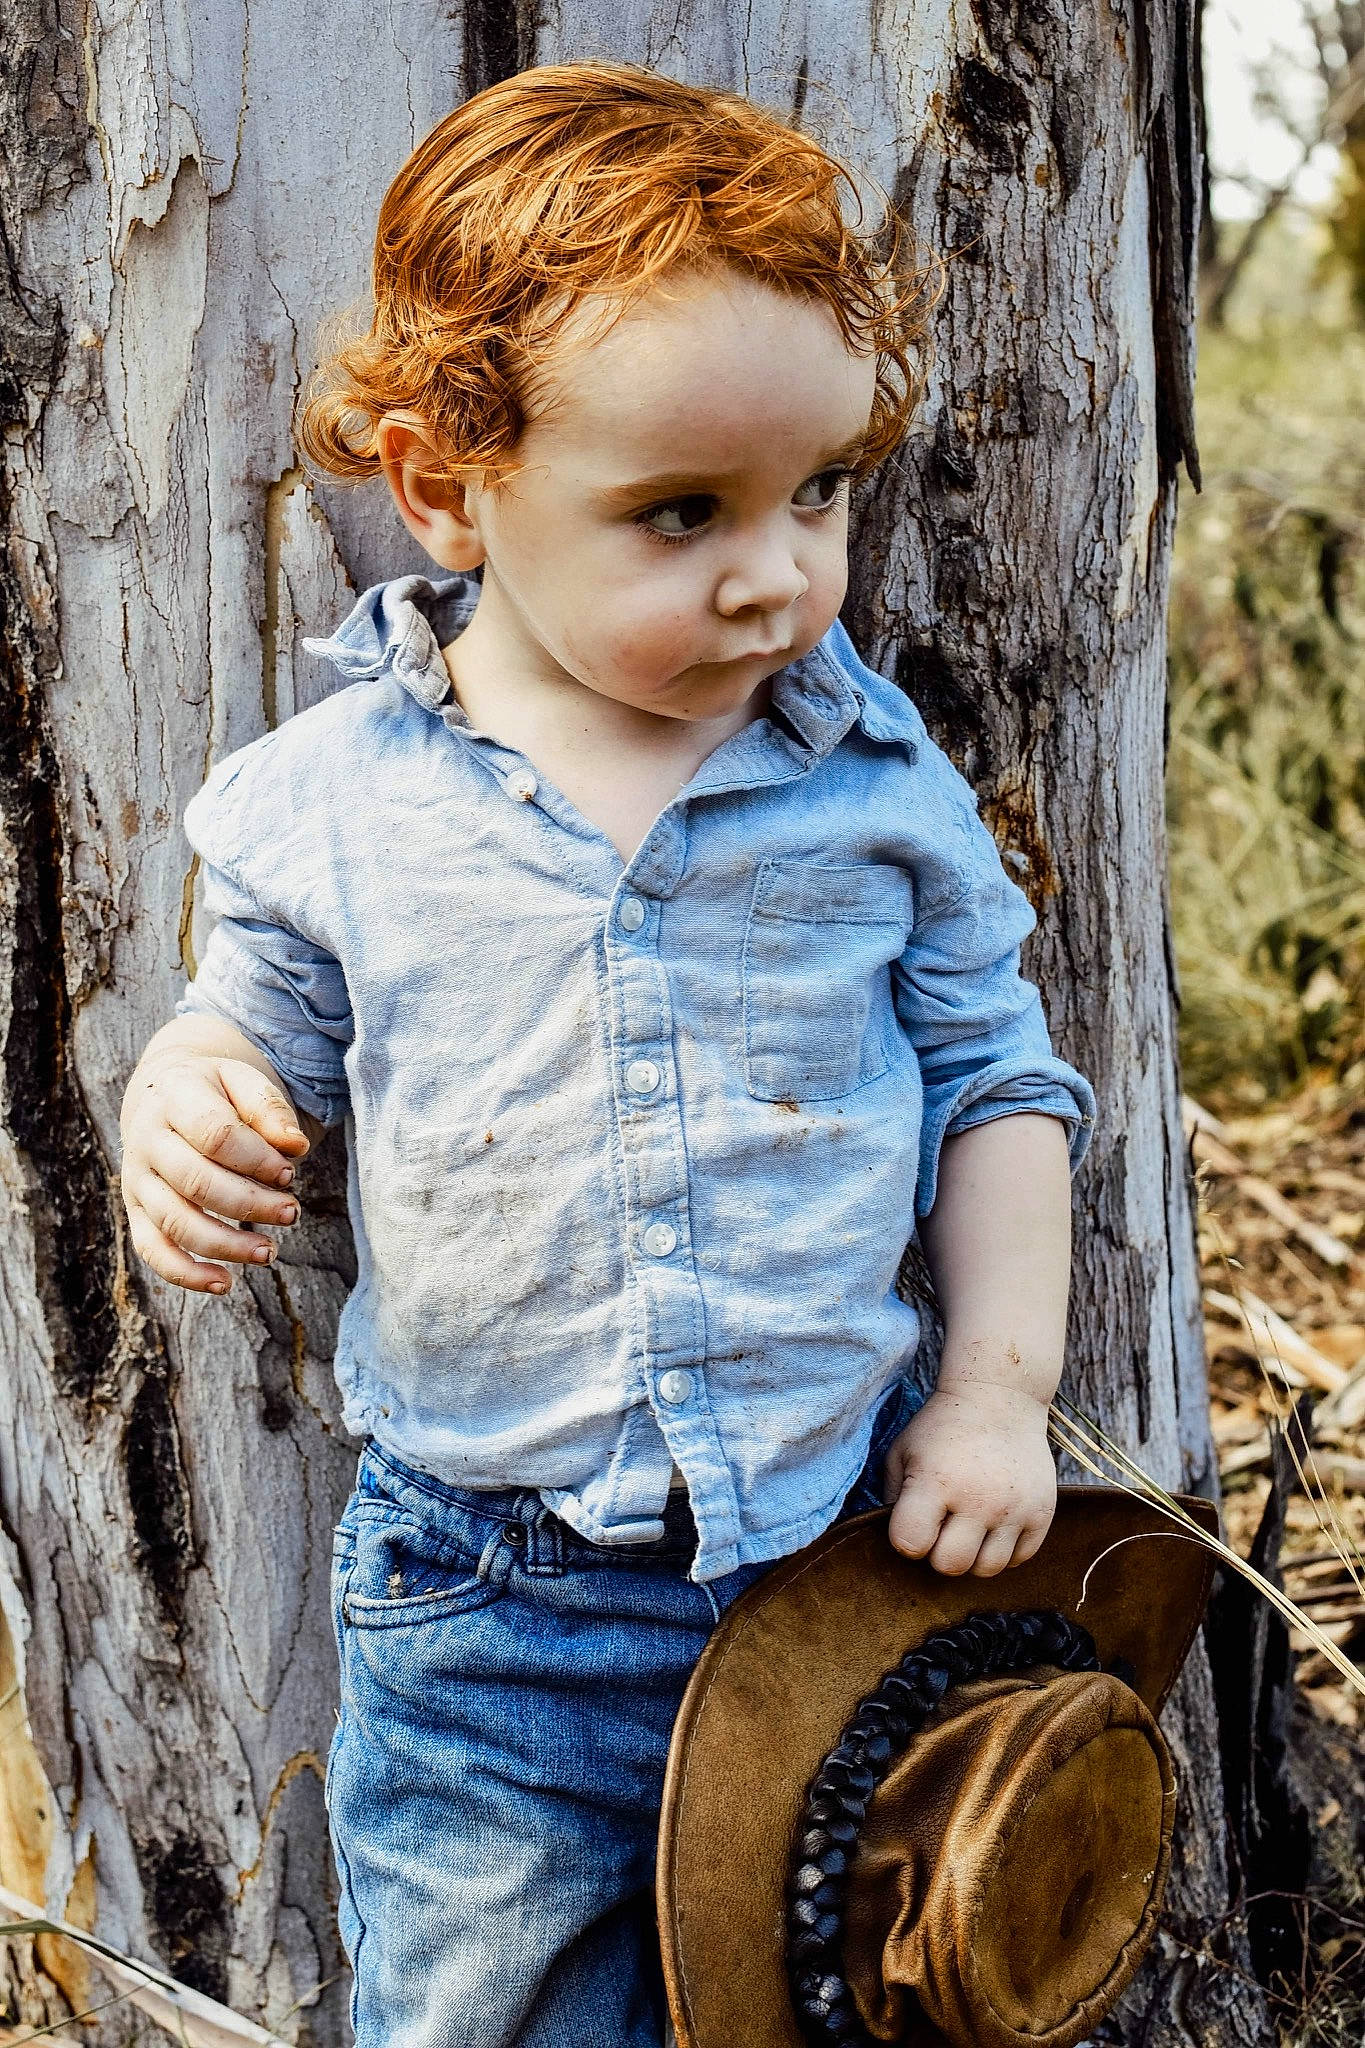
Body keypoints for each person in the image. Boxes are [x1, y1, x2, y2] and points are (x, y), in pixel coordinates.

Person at [118, 61, 1096, 2048]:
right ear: (444, 486)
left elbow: (997, 1083)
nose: (777, 574)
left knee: (829, 1996)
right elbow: (248, 1021)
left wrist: (996, 1393)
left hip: (839, 1557)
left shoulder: (866, 783)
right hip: (500, 1614)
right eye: (679, 514)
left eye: (818, 492)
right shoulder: (336, 801)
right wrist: (182, 1096)